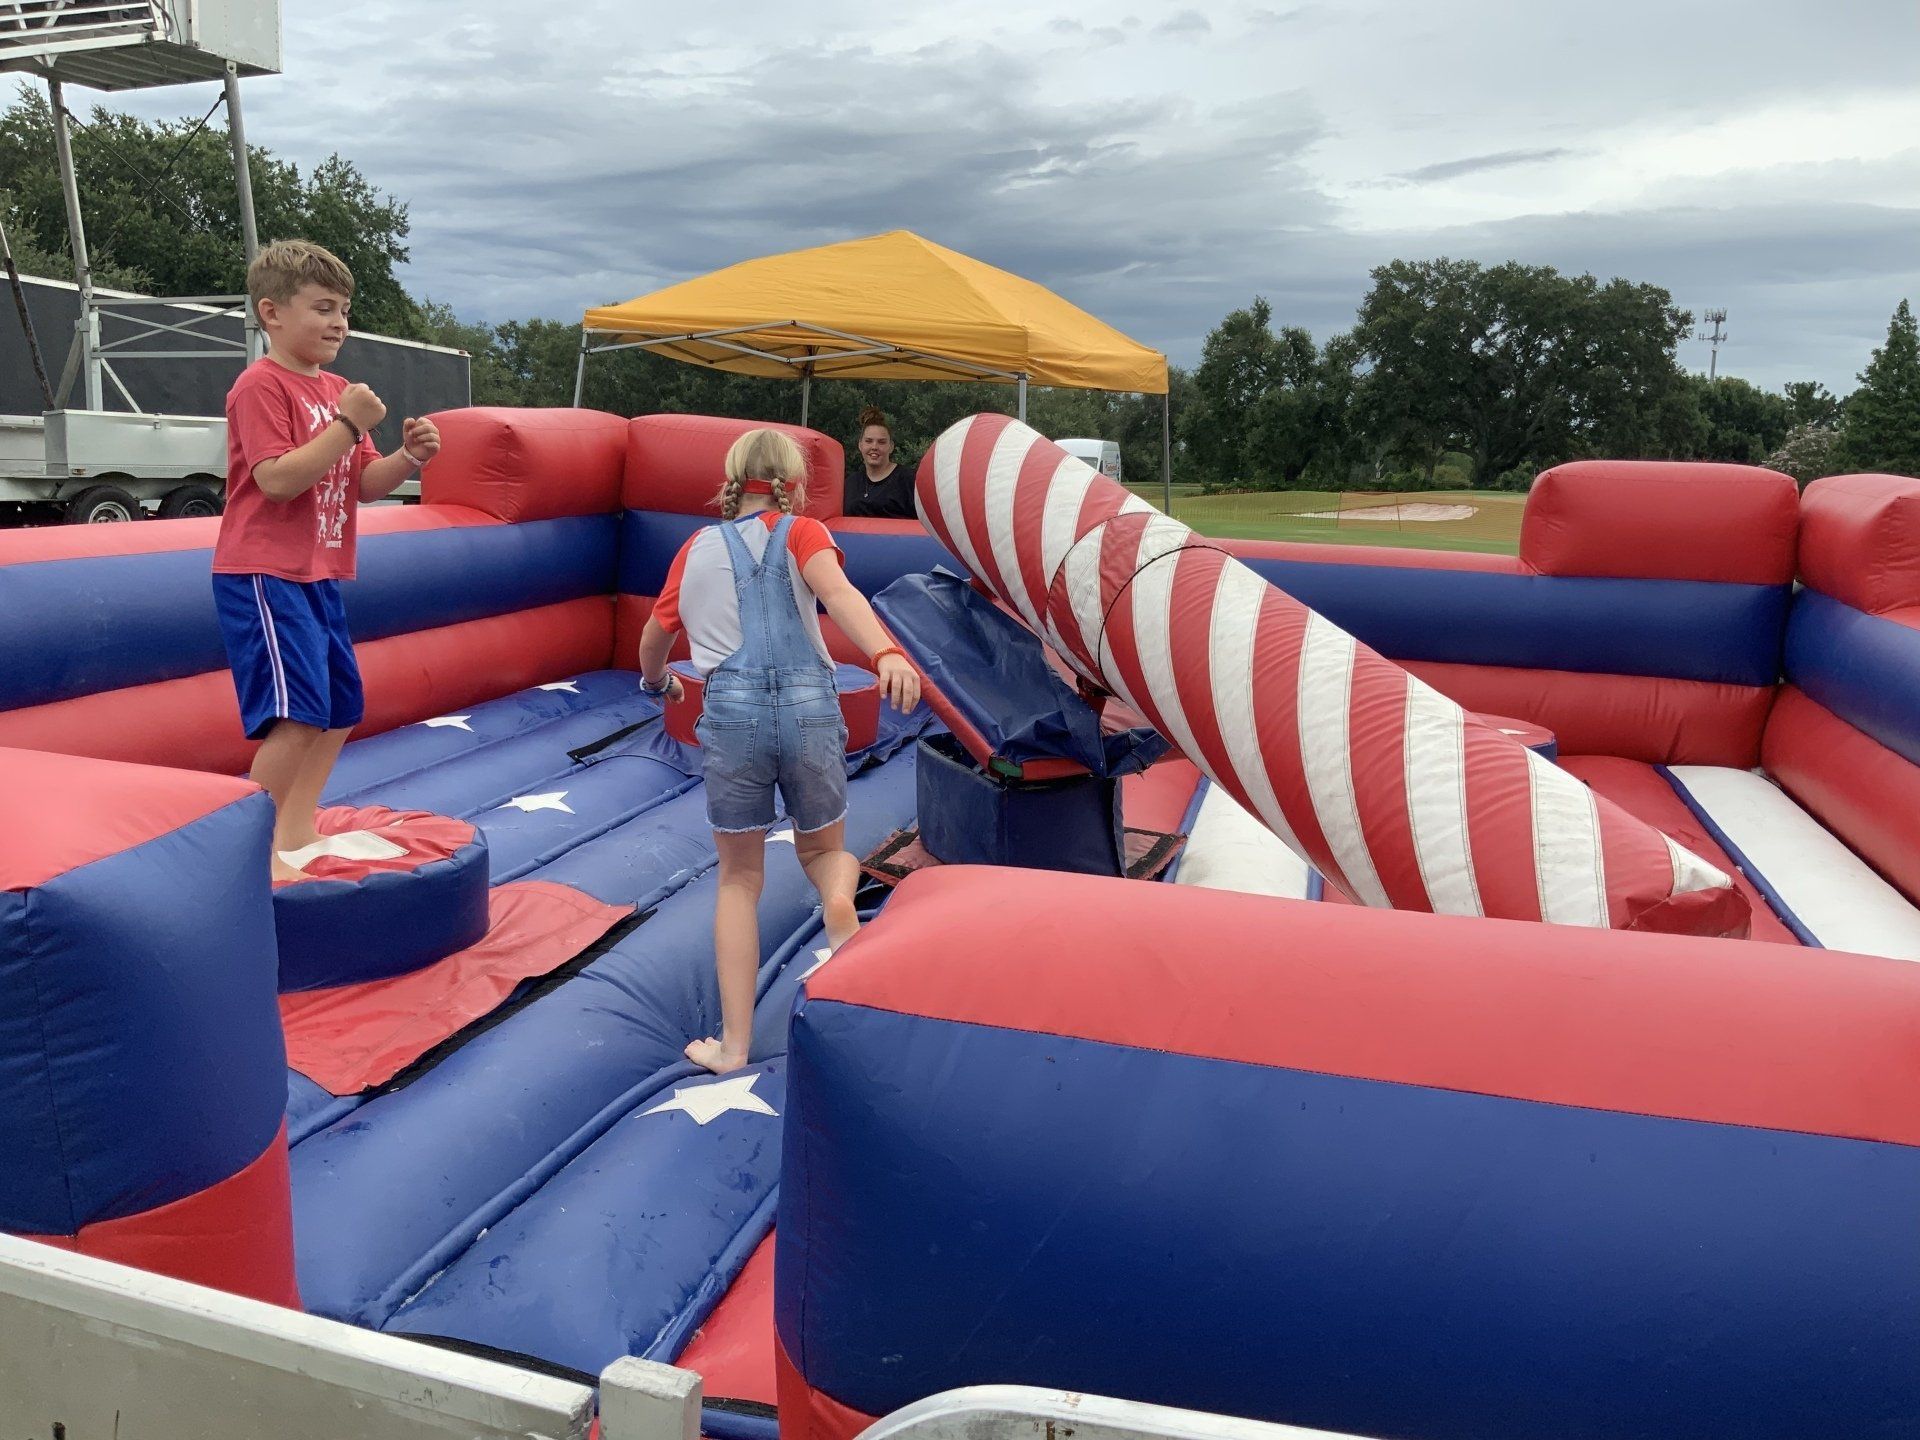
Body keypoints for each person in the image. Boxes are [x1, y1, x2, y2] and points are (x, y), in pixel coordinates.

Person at [637, 428, 921, 1075]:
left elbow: (654, 639)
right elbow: (841, 594)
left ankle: (733, 1046)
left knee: (738, 879)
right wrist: (884, 652)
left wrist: (658, 682)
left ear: (733, 480)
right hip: (808, 709)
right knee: (823, 850)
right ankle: (838, 898)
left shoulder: (696, 549)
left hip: (732, 715)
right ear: (794, 486)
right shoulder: (803, 533)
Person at [211, 239, 442, 882]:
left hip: (318, 574)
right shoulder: (260, 385)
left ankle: (296, 827)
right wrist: (344, 425)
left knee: (341, 707)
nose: (339, 322)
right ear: (272, 313)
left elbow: (365, 482)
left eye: (344, 310)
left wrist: (410, 458)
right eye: (322, 308)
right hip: (263, 571)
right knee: (297, 714)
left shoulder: (338, 389)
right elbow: (278, 480)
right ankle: (245, 852)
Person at [841, 405, 917, 519]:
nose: (874, 447)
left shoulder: (909, 480)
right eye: (869, 441)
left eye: (881, 442)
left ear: (891, 447)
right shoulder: (850, 483)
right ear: (860, 445)